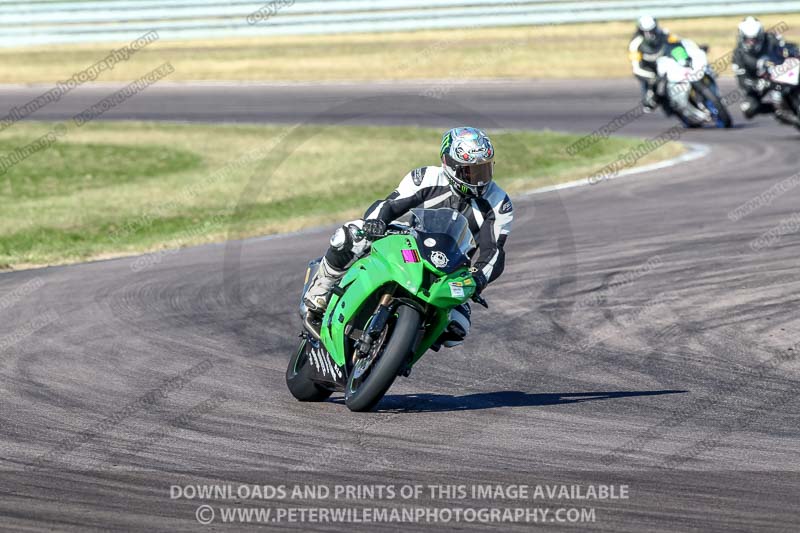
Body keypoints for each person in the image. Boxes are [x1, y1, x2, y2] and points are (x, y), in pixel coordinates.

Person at [303, 126, 513, 348]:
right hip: (404, 242)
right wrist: (376, 222)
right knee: (352, 234)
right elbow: (389, 204)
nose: (479, 180)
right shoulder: (426, 177)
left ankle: (401, 347)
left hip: (448, 268)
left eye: (484, 170)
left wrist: (479, 277)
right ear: (448, 164)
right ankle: (321, 291)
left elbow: (494, 251)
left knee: (458, 329)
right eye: (470, 171)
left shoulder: (499, 203)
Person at [732, 16, 800, 128]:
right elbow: (742, 80)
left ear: (760, 35)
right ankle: (777, 110)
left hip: (780, 72)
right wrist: (756, 84)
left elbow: (787, 47)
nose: (751, 43)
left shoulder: (771, 39)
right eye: (748, 39)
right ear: (742, 37)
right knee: (748, 108)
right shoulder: (738, 55)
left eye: (754, 39)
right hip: (760, 82)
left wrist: (794, 51)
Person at [629, 15, 671, 112]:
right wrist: (652, 77)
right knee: (649, 103)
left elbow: (679, 43)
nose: (649, 34)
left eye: (651, 30)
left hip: (668, 64)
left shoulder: (664, 34)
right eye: (646, 31)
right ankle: (651, 97)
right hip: (648, 70)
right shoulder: (635, 44)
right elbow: (636, 68)